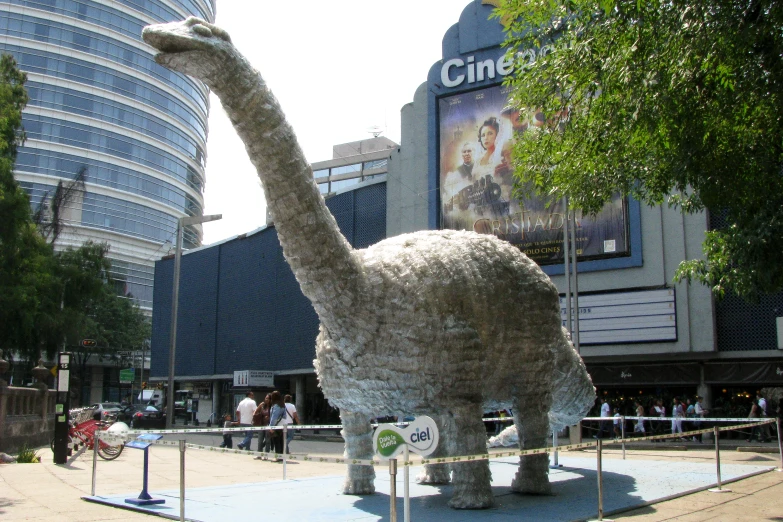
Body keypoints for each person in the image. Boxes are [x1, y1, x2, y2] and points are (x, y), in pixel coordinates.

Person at [267, 391, 287, 459]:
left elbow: (274, 417)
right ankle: (281, 456)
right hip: (282, 426)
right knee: (281, 441)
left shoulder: (276, 406)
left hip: (276, 426)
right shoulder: (283, 405)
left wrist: (271, 427)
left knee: (276, 441)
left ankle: (278, 457)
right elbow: (284, 416)